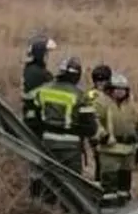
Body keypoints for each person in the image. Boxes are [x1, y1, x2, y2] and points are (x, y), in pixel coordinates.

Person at [32, 56, 98, 184]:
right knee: (72, 186)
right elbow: (91, 129)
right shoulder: (80, 96)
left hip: (47, 144)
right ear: (77, 75)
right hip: (70, 148)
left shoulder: (43, 90)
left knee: (48, 182)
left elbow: (35, 118)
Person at [94, 73, 138, 208]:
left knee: (125, 182)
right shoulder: (101, 103)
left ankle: (124, 206)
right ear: (110, 89)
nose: (120, 92)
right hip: (109, 149)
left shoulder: (133, 106)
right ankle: (109, 208)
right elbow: (94, 122)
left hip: (128, 150)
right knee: (109, 181)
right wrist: (103, 135)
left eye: (123, 89)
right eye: (116, 89)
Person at [20, 36, 56, 199]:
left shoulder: (29, 70)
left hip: (33, 119)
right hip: (38, 122)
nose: (48, 57)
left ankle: (38, 194)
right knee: (41, 160)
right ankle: (41, 195)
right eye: (46, 54)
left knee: (37, 161)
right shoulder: (39, 74)